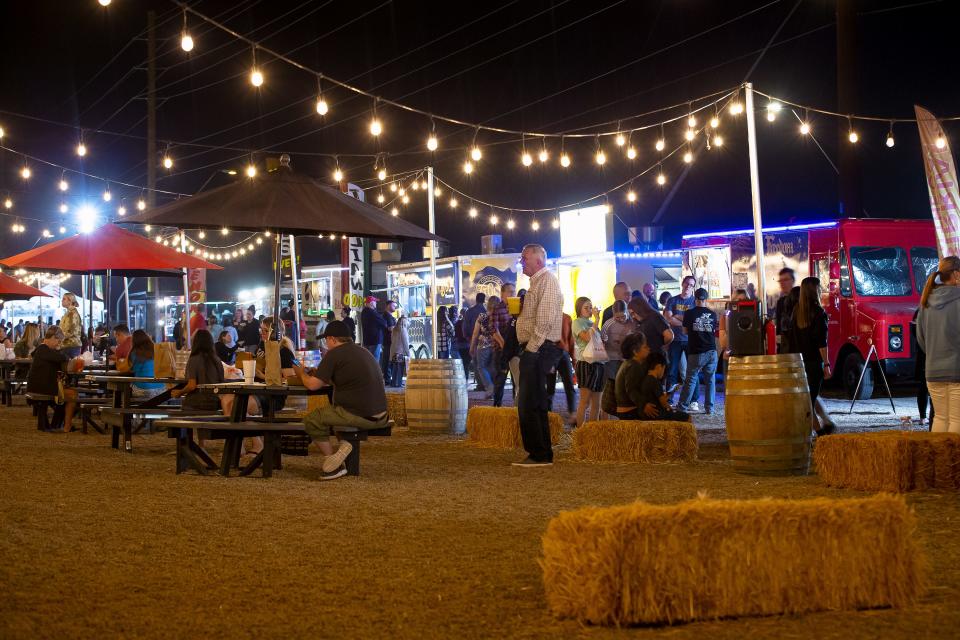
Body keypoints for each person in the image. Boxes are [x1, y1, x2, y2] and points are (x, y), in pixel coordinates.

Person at [294, 320, 389, 481]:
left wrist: (301, 373)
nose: (325, 343)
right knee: (333, 413)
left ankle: (333, 463)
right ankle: (343, 447)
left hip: (360, 415)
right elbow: (345, 378)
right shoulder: (362, 351)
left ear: (332, 339)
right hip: (381, 415)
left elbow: (312, 385)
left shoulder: (334, 354)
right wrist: (319, 373)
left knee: (312, 419)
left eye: (326, 340)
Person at [513, 244, 563, 466]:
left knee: (528, 401)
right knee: (536, 401)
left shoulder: (547, 281)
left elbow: (544, 322)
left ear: (538, 261)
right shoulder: (539, 282)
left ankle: (539, 453)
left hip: (539, 348)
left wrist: (531, 350)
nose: (522, 262)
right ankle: (542, 452)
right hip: (538, 347)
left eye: (525, 259)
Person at [916, 256, 960, 433]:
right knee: (957, 419)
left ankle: (939, 460)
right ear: (956, 274)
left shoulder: (926, 302)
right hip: (956, 369)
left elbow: (921, 339)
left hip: (933, 370)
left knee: (940, 418)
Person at [793, 277, 833, 436]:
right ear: (815, 291)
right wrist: (827, 364)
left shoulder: (797, 311)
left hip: (799, 362)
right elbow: (821, 343)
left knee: (808, 399)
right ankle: (820, 431)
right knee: (809, 400)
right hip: (814, 363)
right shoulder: (818, 312)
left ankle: (823, 427)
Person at [27, 326, 82, 432]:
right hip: (41, 387)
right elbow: (62, 357)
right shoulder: (43, 349)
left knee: (65, 396)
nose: (58, 343)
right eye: (58, 340)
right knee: (73, 394)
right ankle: (66, 426)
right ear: (52, 337)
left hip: (40, 386)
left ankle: (58, 424)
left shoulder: (41, 349)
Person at [171, 329, 235, 415]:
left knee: (174, 413)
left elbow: (192, 385)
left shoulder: (194, 359)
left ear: (196, 342)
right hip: (215, 403)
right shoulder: (217, 359)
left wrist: (179, 392)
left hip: (197, 403)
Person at [678, 288, 718, 414]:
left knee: (691, 379)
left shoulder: (689, 313)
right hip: (712, 351)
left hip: (696, 351)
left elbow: (684, 332)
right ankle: (709, 408)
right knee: (710, 380)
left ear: (695, 299)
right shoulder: (713, 314)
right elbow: (713, 331)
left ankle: (682, 407)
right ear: (706, 300)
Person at [573, 296, 606, 426]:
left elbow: (596, 341)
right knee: (585, 401)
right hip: (585, 363)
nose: (589, 310)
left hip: (598, 362)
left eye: (590, 307)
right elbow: (587, 338)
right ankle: (581, 433)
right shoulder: (577, 322)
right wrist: (597, 320)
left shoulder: (593, 324)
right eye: (586, 307)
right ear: (579, 309)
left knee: (597, 402)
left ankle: (592, 433)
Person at [663, 276, 697, 405]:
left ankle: (694, 400)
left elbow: (693, 321)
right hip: (675, 340)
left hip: (690, 340)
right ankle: (669, 399)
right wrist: (685, 322)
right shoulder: (672, 300)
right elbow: (668, 319)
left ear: (693, 288)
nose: (688, 286)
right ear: (682, 284)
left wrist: (677, 316)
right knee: (672, 370)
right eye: (687, 283)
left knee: (692, 370)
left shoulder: (694, 302)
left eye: (691, 285)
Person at [614, 333, 660, 420]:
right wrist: (644, 405)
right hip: (629, 412)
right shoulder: (633, 366)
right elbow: (631, 390)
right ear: (635, 352)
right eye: (645, 347)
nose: (649, 349)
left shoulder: (629, 363)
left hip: (627, 409)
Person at [638, 352, 691, 422]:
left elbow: (659, 396)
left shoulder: (646, 379)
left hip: (645, 413)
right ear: (659, 366)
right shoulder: (655, 382)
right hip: (656, 414)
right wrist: (671, 409)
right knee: (687, 416)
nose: (663, 373)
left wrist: (671, 391)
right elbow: (663, 402)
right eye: (663, 368)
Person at [469, 296, 500, 399]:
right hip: (496, 345)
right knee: (492, 368)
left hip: (483, 345)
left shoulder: (482, 316)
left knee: (481, 367)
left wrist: (472, 346)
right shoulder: (499, 316)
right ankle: (494, 390)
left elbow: (475, 333)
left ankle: (489, 387)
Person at [127, 330, 165, 400]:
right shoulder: (156, 349)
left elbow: (134, 370)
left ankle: (123, 408)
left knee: (125, 388)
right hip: (161, 389)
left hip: (142, 389)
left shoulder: (135, 352)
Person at [911, 308, 933, 427]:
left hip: (926, 354)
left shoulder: (921, 310)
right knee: (926, 388)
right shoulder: (922, 311)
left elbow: (914, 330)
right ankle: (924, 416)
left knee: (925, 388)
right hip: (928, 355)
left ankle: (924, 417)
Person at [462, 292, 487, 389]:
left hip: (473, 340)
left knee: (477, 363)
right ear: (484, 300)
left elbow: (465, 327)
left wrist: (468, 338)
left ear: (476, 300)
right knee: (484, 363)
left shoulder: (469, 311)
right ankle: (485, 384)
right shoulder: (485, 311)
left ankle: (480, 385)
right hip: (484, 340)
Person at [360, 296, 390, 362]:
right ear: (371, 303)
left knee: (368, 362)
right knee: (375, 362)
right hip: (375, 341)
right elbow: (384, 323)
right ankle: (375, 372)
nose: (376, 303)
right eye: (375, 302)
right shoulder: (372, 312)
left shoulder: (363, 312)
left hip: (367, 341)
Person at [380, 300, 398, 384]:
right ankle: (387, 379)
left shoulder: (390, 316)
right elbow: (390, 328)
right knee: (387, 360)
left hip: (390, 341)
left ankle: (388, 378)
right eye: (393, 305)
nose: (395, 306)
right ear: (388, 306)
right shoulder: (386, 316)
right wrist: (399, 327)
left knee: (389, 360)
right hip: (387, 341)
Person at [59, 292, 83, 358]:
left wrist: (58, 339)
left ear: (70, 301)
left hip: (71, 345)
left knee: (69, 367)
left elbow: (70, 331)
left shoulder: (72, 313)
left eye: (64, 299)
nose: (62, 300)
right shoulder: (69, 313)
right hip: (68, 345)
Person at [390, 315, 410, 387]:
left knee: (395, 370)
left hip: (394, 352)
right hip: (400, 353)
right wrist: (408, 353)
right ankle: (398, 383)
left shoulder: (394, 329)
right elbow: (405, 343)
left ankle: (394, 383)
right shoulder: (403, 330)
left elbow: (392, 341)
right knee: (399, 370)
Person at [455, 305, 473, 380]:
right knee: (467, 363)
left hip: (459, 345)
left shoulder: (458, 323)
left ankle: (463, 378)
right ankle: (465, 378)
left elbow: (455, 334)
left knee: (462, 363)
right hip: (468, 344)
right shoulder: (469, 323)